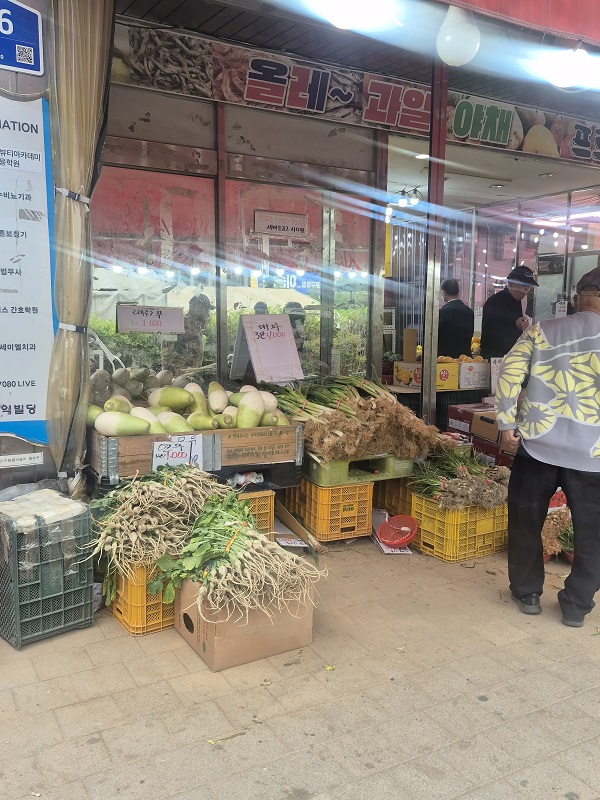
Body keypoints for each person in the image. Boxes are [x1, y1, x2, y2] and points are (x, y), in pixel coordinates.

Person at [495, 267, 600, 627]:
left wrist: (506, 424)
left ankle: (527, 593)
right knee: (594, 532)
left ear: (576, 297)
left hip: (538, 444)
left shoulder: (543, 329)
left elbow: (509, 373)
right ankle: (576, 605)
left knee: (525, 520)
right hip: (593, 455)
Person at [480, 265, 538, 360]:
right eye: (523, 287)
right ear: (510, 283)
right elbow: (492, 329)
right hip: (495, 358)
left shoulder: (516, 301)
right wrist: (515, 323)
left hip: (511, 357)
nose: (525, 292)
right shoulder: (495, 301)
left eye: (528, 288)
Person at [161, 293, 213, 375]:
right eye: (206, 310)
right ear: (198, 309)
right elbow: (168, 345)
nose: (207, 314)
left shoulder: (194, 324)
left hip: (188, 375)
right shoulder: (184, 323)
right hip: (179, 375)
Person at [437, 278, 474, 358]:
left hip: (446, 360)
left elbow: (438, 337)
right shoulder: (469, 311)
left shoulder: (443, 312)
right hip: (465, 358)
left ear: (444, 292)